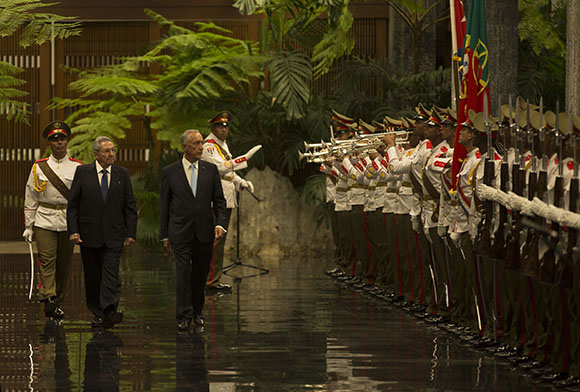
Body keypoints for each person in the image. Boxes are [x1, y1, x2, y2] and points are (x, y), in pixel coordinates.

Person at [160, 129, 228, 332]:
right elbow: (165, 206)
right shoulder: (170, 172)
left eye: (201, 143)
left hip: (204, 231)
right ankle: (183, 316)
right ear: (185, 147)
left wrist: (220, 224)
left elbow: (219, 202)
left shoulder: (210, 169)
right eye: (197, 144)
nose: (201, 147)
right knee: (182, 275)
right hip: (180, 232)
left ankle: (198, 312)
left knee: (199, 276)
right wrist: (164, 235)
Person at [67, 136, 137, 330]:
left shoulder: (122, 174)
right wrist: (73, 231)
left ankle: (110, 310)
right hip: (89, 233)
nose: (111, 154)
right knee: (93, 275)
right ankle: (97, 312)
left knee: (111, 273)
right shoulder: (83, 172)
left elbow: (129, 205)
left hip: (114, 234)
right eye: (106, 151)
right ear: (96, 154)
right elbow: (73, 205)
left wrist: (130, 232)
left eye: (113, 150)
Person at [23, 121, 82, 320]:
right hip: (45, 220)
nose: (59, 143)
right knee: (47, 260)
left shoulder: (77, 167)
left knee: (64, 263)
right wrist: (29, 226)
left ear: (67, 141)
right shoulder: (38, 167)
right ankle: (48, 298)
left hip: (68, 221)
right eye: (55, 139)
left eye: (62, 139)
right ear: (49, 143)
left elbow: (83, 198)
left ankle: (58, 301)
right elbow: (31, 198)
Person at [201, 111, 261, 291]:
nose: (224, 130)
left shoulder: (222, 145)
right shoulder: (209, 146)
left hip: (226, 197)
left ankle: (213, 279)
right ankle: (209, 280)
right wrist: (245, 158)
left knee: (219, 243)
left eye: (226, 127)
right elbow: (220, 168)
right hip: (215, 199)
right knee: (214, 242)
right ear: (213, 128)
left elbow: (229, 173)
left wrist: (241, 183)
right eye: (220, 127)